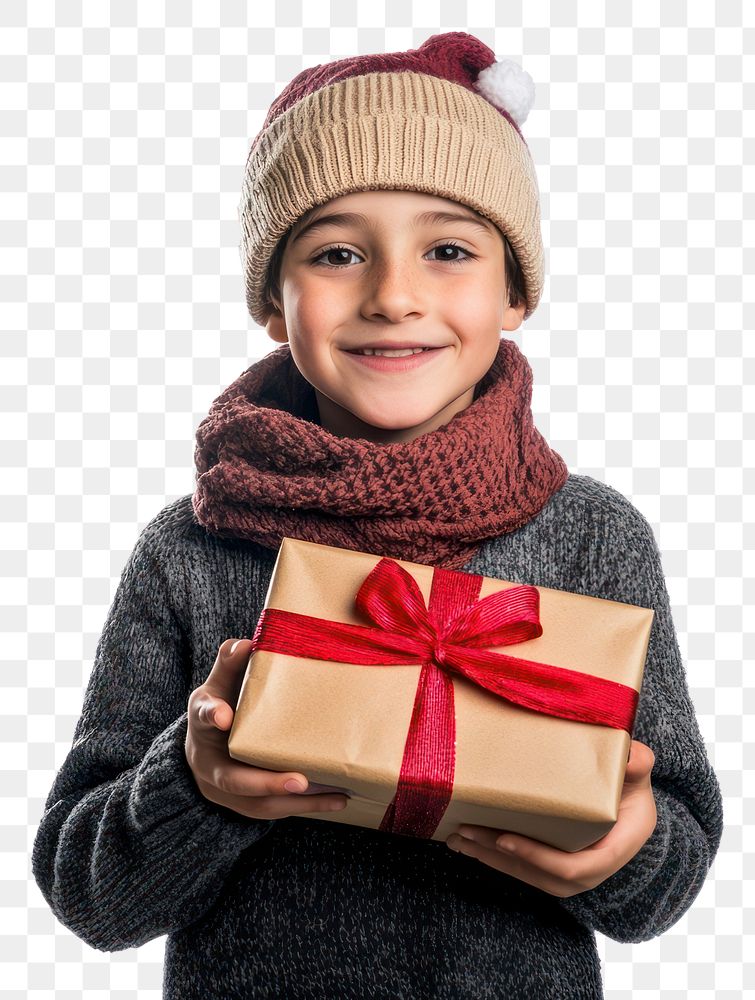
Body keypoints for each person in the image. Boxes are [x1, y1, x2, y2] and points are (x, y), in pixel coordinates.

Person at [31, 31, 723, 999]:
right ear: (273, 303)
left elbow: (668, 878)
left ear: (514, 289)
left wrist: (624, 851)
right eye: (335, 252)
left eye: (447, 249)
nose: (393, 295)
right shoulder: (193, 547)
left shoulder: (592, 536)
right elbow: (89, 896)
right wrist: (199, 783)